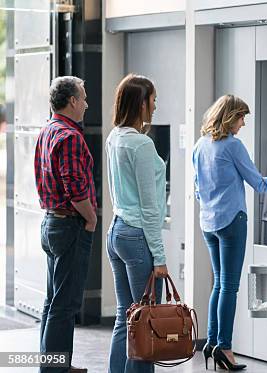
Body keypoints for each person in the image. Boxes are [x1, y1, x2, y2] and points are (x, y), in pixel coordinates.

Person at [192, 94, 267, 371]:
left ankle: (211, 344)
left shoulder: (200, 146)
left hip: (209, 223)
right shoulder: (232, 146)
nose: (243, 123)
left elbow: (197, 188)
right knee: (230, 287)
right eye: (241, 117)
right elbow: (259, 184)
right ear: (229, 116)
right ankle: (225, 347)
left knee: (219, 284)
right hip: (232, 222)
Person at [105, 74, 168, 373]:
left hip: (116, 231)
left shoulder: (113, 137)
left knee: (125, 316)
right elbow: (150, 208)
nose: (155, 106)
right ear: (141, 103)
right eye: (153, 100)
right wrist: (160, 257)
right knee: (145, 321)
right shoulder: (141, 145)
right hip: (136, 235)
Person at [35, 76, 97, 373]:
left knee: (53, 300)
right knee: (66, 303)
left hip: (51, 222)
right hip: (70, 225)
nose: (86, 104)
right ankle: (55, 369)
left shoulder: (48, 130)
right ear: (72, 101)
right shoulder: (70, 136)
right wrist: (92, 217)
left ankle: (56, 363)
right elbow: (74, 187)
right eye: (83, 98)